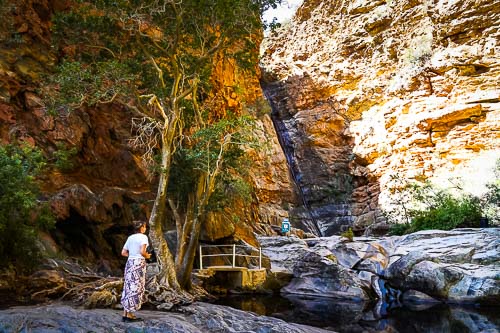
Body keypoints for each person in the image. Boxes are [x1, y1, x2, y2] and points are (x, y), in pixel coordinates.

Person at [121, 220, 151, 322]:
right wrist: (147, 256)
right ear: (141, 228)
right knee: (136, 287)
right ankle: (129, 315)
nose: (145, 229)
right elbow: (143, 252)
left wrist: (133, 255)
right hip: (138, 264)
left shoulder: (130, 238)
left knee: (128, 285)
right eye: (145, 227)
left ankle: (125, 314)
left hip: (130, 263)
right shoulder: (143, 237)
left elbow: (123, 252)